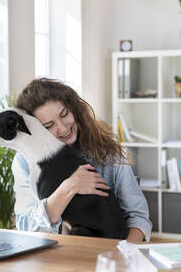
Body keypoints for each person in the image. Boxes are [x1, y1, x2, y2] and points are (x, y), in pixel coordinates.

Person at [12, 78, 151, 243]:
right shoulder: (24, 162)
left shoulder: (108, 153)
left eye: (64, 114)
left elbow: (138, 217)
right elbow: (26, 226)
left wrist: (123, 255)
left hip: (107, 255)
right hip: (51, 258)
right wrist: (69, 187)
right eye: (49, 126)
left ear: (74, 109)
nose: (63, 128)